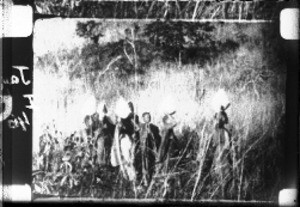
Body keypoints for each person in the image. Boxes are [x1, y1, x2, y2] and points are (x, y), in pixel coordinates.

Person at [139, 112, 161, 186]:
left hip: (152, 150)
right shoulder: (141, 127)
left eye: (149, 116)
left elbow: (158, 139)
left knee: (152, 164)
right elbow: (139, 138)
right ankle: (145, 181)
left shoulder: (155, 127)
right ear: (143, 118)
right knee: (144, 165)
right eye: (146, 117)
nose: (148, 118)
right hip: (143, 149)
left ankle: (153, 181)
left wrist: (151, 134)